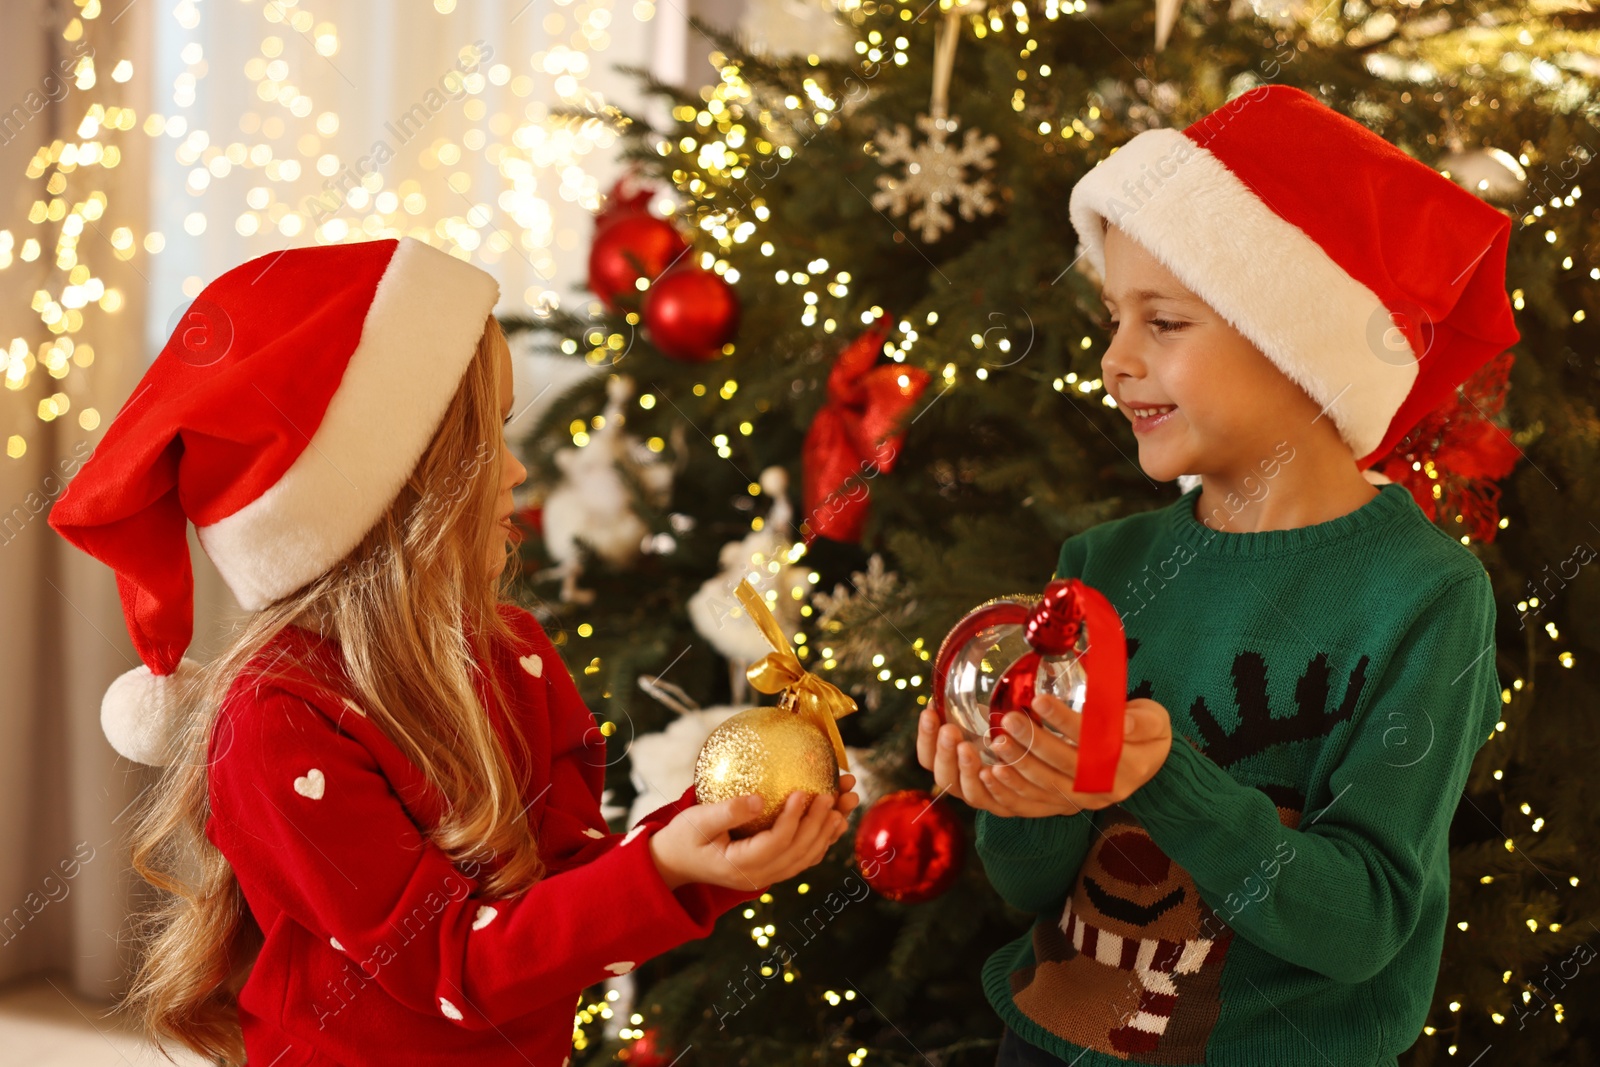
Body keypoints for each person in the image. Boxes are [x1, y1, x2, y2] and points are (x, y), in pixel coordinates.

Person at [48, 236, 859, 1066]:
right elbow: (453, 965)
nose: (516, 472)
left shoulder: (516, 654)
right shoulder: (275, 720)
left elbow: (563, 901)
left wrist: (711, 838)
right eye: (487, 439)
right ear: (392, 488)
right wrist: (661, 864)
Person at [917, 84, 1518, 1066]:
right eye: (1114, 318)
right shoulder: (1098, 568)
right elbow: (1030, 885)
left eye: (1163, 322)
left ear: (1293, 341)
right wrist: (1012, 792)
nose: (1114, 361)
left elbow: (1363, 919)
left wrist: (1166, 781)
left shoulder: (1426, 597)